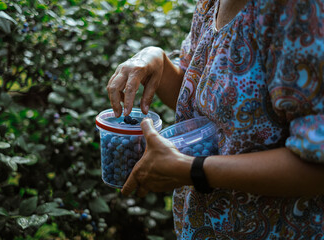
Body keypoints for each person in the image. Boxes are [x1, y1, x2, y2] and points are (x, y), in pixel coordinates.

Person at [107, 0, 324, 238]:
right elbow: (201, 99)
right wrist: (155, 58)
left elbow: (316, 164)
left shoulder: (300, 10)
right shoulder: (211, 3)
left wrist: (192, 170)